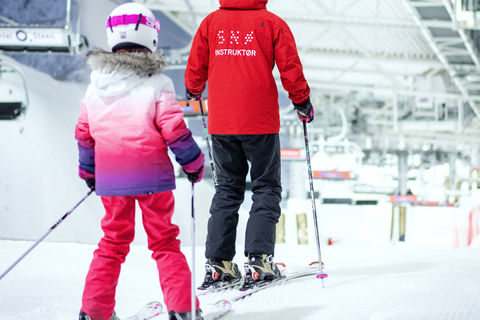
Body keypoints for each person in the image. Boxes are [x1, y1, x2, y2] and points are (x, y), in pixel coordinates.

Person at [75, 3, 205, 320]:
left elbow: (84, 134)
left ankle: (94, 312)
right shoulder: (158, 84)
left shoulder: (95, 88)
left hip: (112, 181)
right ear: (152, 39)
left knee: (112, 243)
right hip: (153, 180)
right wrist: (193, 163)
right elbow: (174, 130)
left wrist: (89, 172)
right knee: (164, 243)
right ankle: (182, 308)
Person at [184, 0, 314, 290]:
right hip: (260, 122)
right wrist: (302, 101)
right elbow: (289, 68)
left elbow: (196, 66)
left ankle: (218, 265)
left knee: (228, 189)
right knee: (266, 187)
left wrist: (193, 88)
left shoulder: (211, 23)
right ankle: (258, 261)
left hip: (222, 123)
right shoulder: (273, 23)